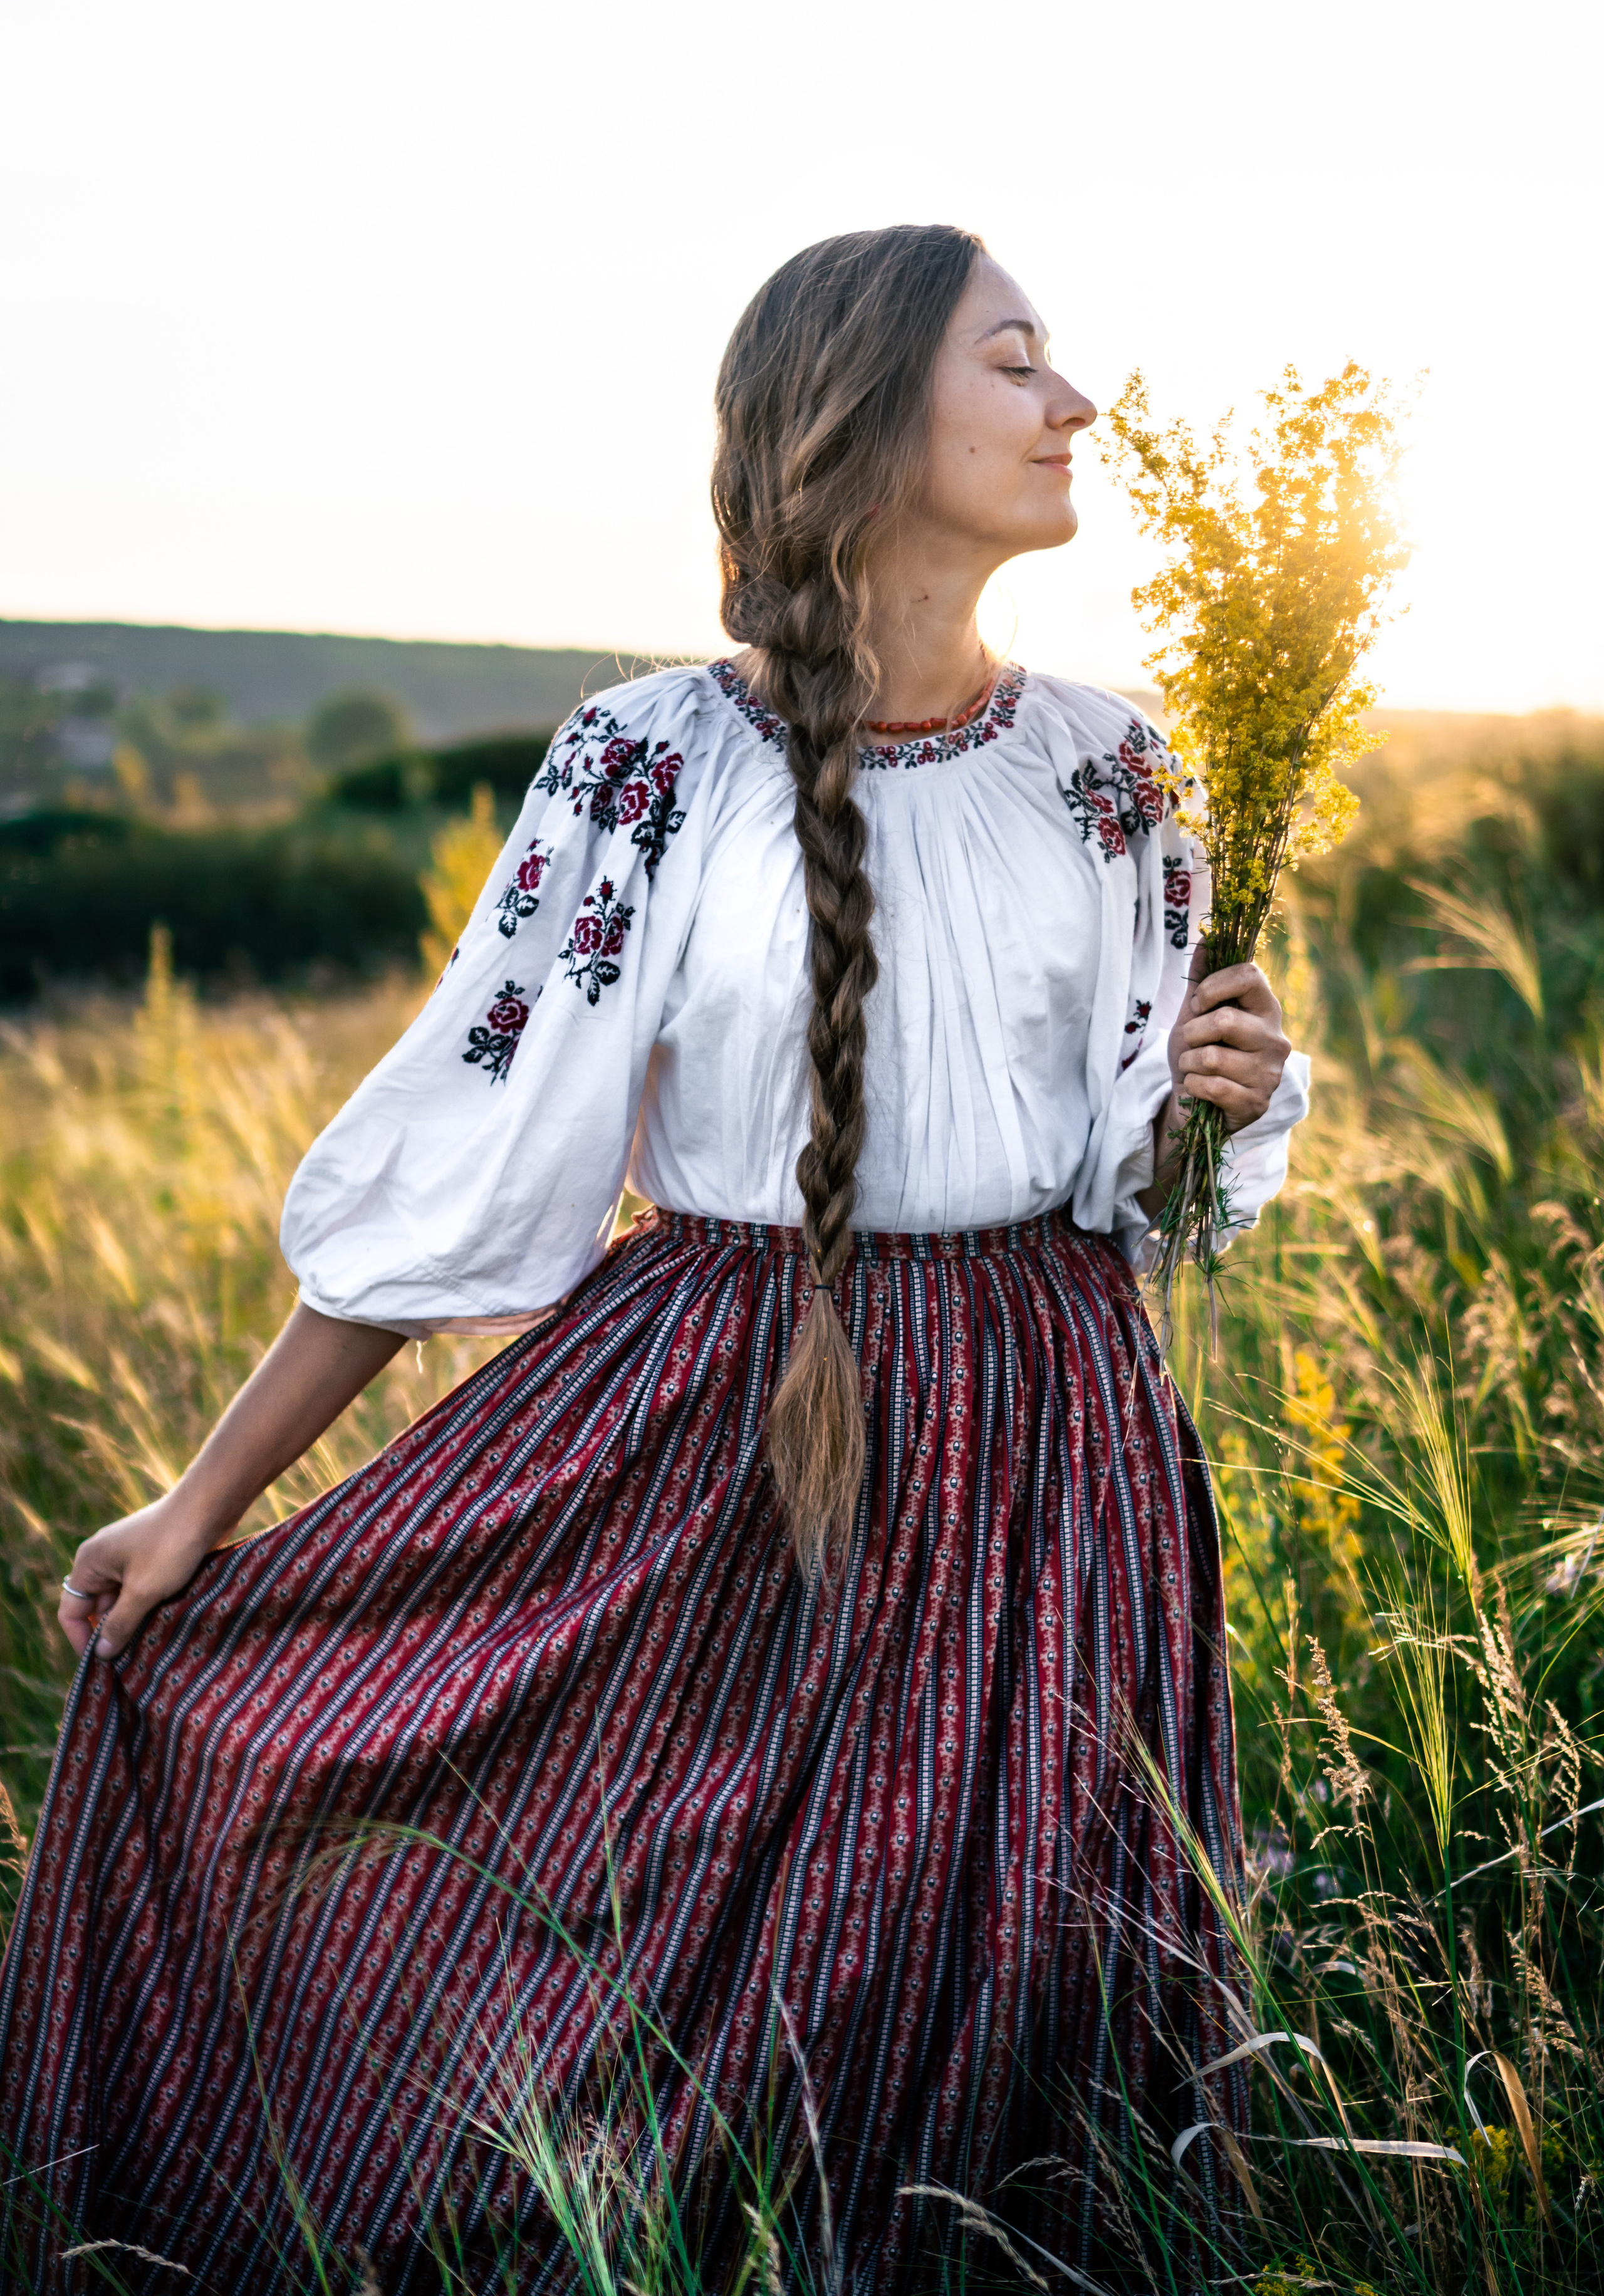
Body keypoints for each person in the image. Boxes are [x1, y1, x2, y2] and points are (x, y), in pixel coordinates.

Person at [1, 226, 1306, 2293]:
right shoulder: (648, 764)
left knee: (1007, 1974)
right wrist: (201, 1505)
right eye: (1016, 361)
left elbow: (1132, 1192)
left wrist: (1217, 1100)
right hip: (722, 1417)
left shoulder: (1117, 765)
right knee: (703, 1972)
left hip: (1048, 1439)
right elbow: (457, 1169)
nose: (1077, 405)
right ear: (859, 414)